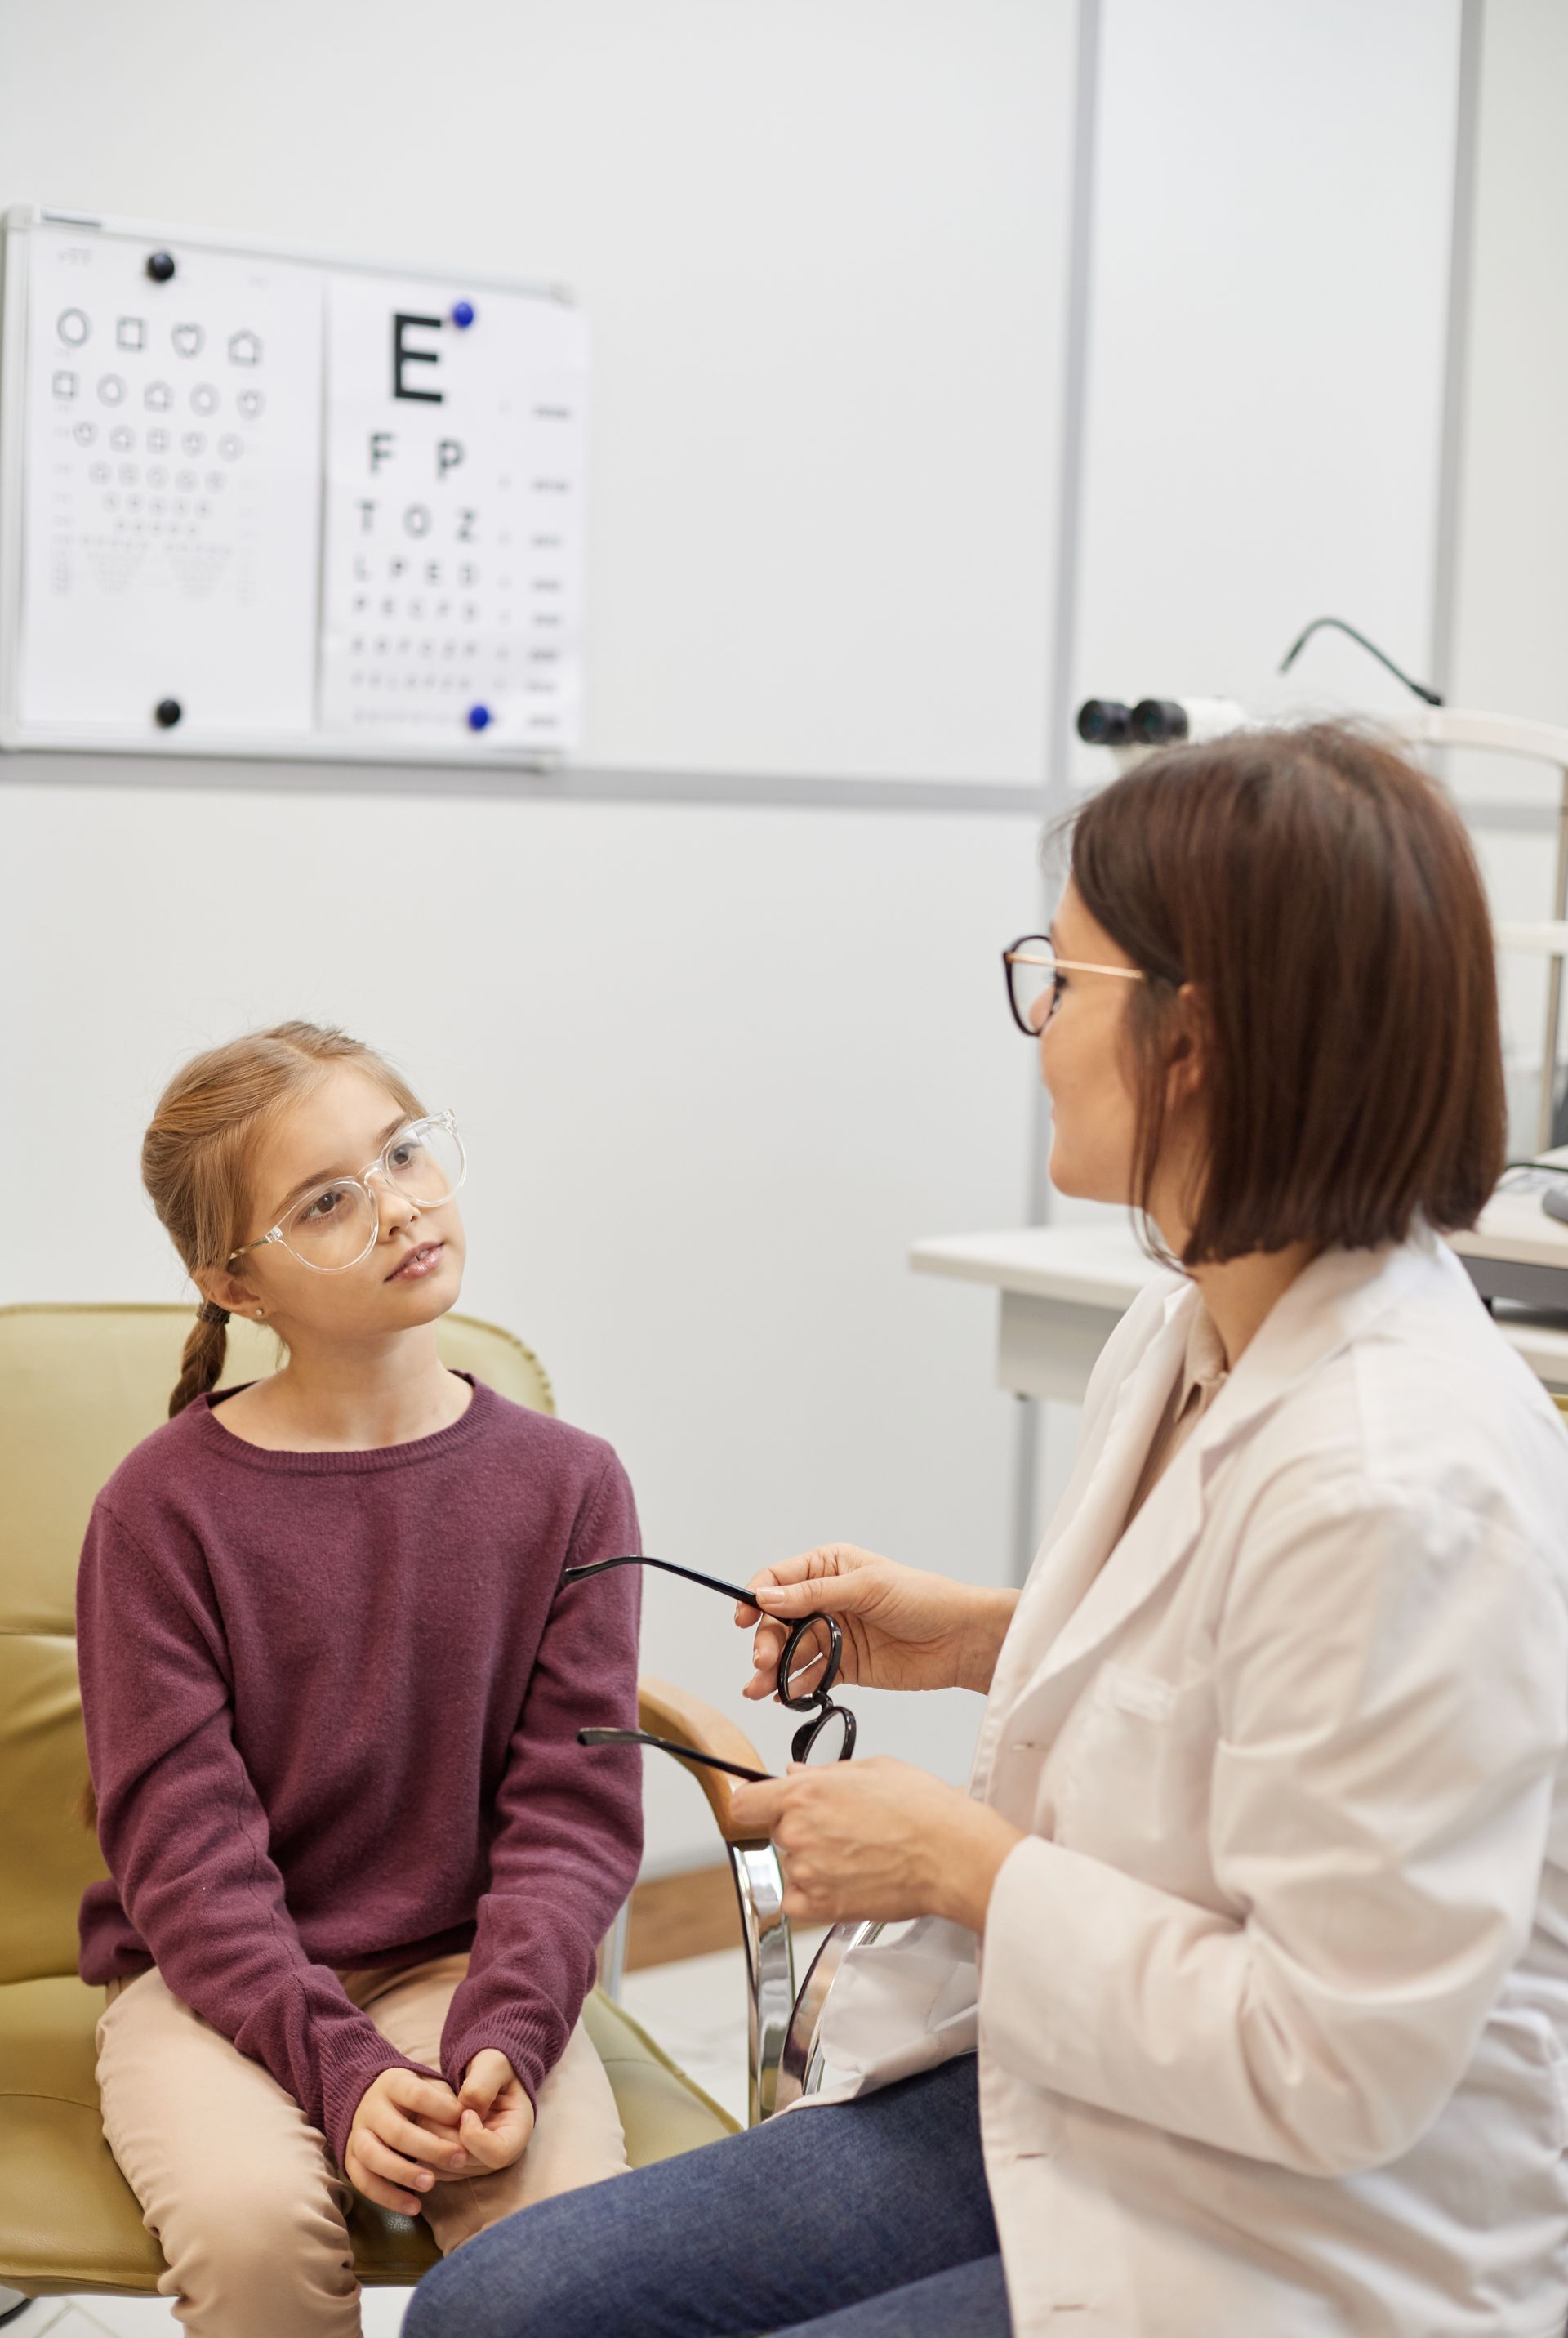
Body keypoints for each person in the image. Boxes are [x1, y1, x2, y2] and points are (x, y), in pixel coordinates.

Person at [404, 725, 1568, 2338]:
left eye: (1064, 984)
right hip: (1099, 2086)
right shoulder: (1189, 1327)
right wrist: (971, 1635)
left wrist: (956, 1865)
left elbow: (1336, 2067)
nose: (1036, 1034)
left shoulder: (1399, 1473)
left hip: (1317, 2212)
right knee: (495, 2313)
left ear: (1195, 1043)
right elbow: (1251, 1677)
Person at [77, 1022, 644, 2338]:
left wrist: (509, 2021)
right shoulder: (160, 1512)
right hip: (207, 1983)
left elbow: (573, 1809)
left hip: (466, 1962)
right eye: (327, 1201)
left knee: (565, 2258)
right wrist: (336, 2061)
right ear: (236, 1284)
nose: (395, 1207)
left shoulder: (571, 1483)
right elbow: (182, 1855)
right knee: (253, 2237)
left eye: (402, 1154)